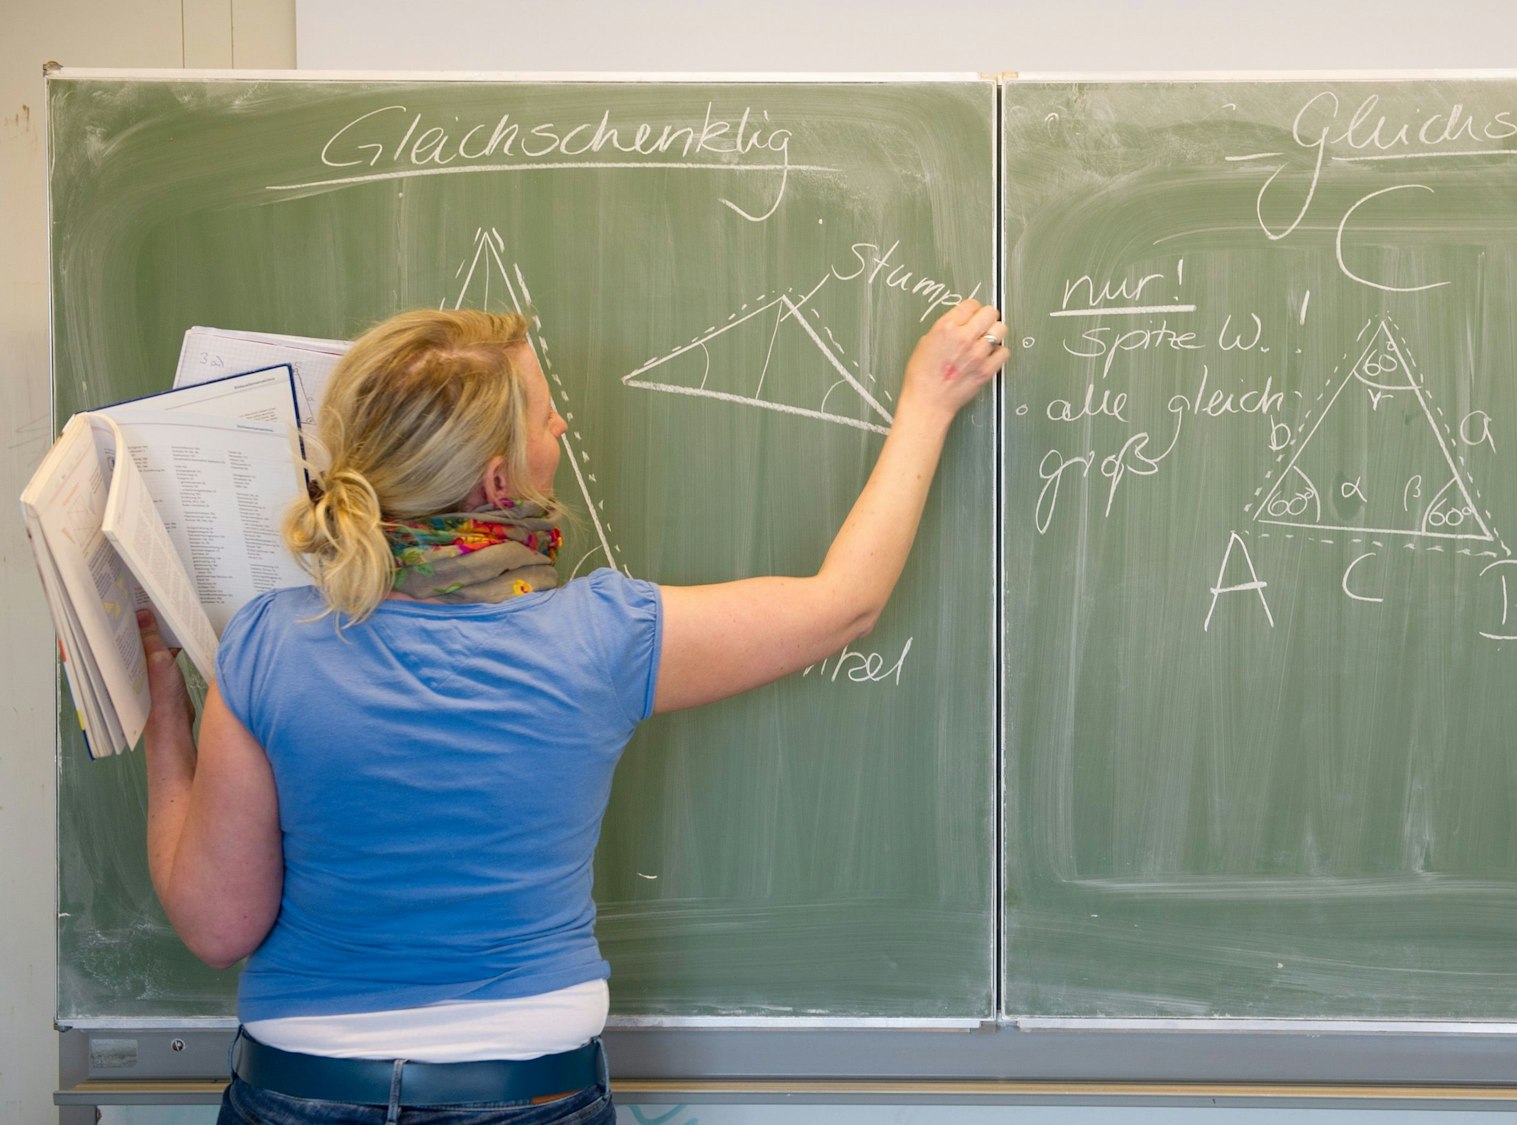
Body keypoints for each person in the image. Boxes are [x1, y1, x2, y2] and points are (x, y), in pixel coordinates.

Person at [137, 299, 1006, 1124]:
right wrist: (927, 403)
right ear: (497, 480)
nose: (561, 425)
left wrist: (164, 705)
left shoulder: (268, 644)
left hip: (298, 1089)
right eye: (546, 413)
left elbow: (218, 927)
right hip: (528, 1092)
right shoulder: (598, 638)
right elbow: (845, 603)